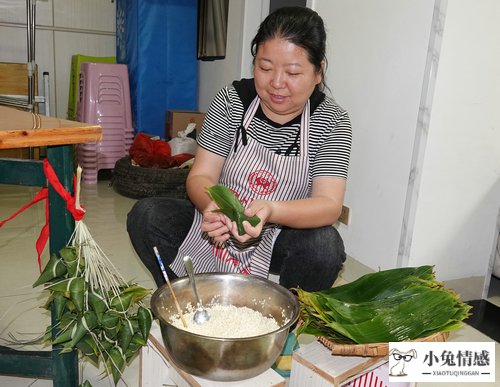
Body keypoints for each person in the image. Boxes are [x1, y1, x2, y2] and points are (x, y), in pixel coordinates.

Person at [127, 6, 352, 292]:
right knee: (147, 216)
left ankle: (280, 316)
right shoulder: (232, 100)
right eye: (265, 68)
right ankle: (189, 297)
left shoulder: (331, 120)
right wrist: (214, 208)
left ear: (319, 71)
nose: (277, 84)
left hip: (279, 233)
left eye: (293, 72)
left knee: (325, 247)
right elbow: (200, 177)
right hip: (217, 228)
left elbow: (328, 205)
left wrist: (270, 211)